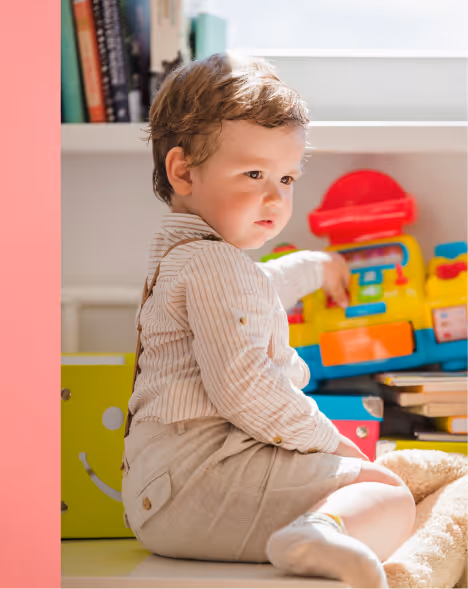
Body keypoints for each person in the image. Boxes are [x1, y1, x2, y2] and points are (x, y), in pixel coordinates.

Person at [121, 53, 415, 588]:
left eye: (286, 176)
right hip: (198, 484)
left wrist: (317, 266)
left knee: (373, 484)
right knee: (388, 490)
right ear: (184, 171)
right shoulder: (212, 264)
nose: (276, 197)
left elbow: (257, 291)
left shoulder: (187, 259)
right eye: (253, 173)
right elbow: (244, 385)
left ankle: (313, 530)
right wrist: (330, 441)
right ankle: (315, 533)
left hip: (163, 495)